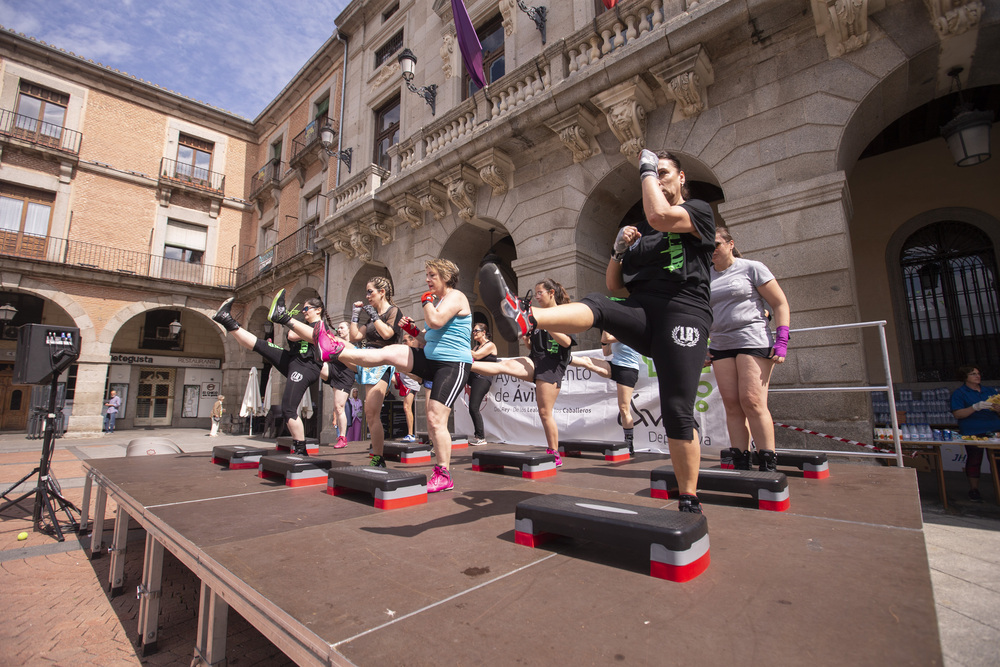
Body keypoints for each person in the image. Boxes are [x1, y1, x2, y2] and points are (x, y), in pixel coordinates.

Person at [479, 150, 715, 513]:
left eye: (664, 174)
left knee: (677, 409)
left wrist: (646, 169)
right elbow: (616, 286)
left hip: (684, 313)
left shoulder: (697, 211)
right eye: (656, 174)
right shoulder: (645, 236)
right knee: (599, 302)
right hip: (643, 311)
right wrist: (619, 251)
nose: (658, 180)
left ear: (681, 178)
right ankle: (527, 318)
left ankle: (688, 497)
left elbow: (660, 214)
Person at [321, 259, 472, 493]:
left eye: (432, 275)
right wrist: (414, 332)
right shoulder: (439, 301)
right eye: (427, 275)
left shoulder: (456, 296)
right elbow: (426, 338)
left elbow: (436, 320)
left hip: (453, 364)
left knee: (434, 418)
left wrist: (425, 300)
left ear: (445, 276)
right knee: (390, 352)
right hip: (431, 359)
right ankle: (337, 349)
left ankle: (443, 474)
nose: (427, 280)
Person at [708, 226, 790, 472]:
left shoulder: (751, 267)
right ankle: (742, 460)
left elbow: (779, 303)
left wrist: (782, 340)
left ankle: (767, 461)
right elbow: (701, 314)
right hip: (721, 344)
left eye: (716, 245)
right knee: (732, 404)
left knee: (752, 401)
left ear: (730, 244)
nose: (711, 251)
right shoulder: (704, 277)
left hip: (752, 339)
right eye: (706, 247)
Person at [470, 278, 576, 465]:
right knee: (504, 366)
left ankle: (554, 452)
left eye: (539, 293)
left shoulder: (564, 313)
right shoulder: (537, 315)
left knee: (545, 412)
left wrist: (542, 322)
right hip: (535, 359)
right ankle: (462, 363)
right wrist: (527, 336)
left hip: (552, 365)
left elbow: (567, 342)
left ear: (551, 293)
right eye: (535, 293)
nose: (536, 297)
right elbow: (529, 343)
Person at [212, 293, 327, 455]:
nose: (303, 312)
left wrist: (289, 322)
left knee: (288, 408)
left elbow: (295, 335)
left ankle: (301, 449)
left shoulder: (322, 327)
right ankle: (226, 320)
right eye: (302, 309)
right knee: (261, 345)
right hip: (292, 360)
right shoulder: (302, 324)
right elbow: (291, 335)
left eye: (306, 308)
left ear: (318, 310)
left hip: (307, 367)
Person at [570, 331, 642, 455]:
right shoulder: (613, 335)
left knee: (624, 408)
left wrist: (606, 323)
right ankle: (562, 358)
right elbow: (606, 352)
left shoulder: (626, 332)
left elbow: (607, 337)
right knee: (587, 361)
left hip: (628, 370)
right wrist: (604, 340)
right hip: (615, 365)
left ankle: (629, 442)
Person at [950, 366, 1000, 502]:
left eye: (978, 373)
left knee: (997, 461)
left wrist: (997, 409)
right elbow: (958, 413)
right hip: (973, 431)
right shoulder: (960, 393)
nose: (977, 376)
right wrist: (974, 408)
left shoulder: (989, 391)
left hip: (994, 429)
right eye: (973, 374)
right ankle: (974, 489)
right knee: (974, 459)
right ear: (965, 377)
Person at [320, 322, 354, 449]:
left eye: (342, 328)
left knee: (339, 407)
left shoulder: (353, 344)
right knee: (315, 364)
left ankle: (342, 437)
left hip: (345, 375)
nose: (339, 330)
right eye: (338, 328)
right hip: (332, 368)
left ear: (349, 330)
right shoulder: (334, 340)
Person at [468, 322, 498, 446]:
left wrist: (459, 346)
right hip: (474, 377)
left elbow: (476, 356)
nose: (474, 333)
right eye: (473, 331)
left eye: (476, 331)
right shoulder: (475, 347)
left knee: (473, 407)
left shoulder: (490, 345)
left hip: (483, 379)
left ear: (483, 332)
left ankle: (480, 437)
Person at [397, 332, 424, 442]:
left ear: (413, 340)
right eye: (403, 341)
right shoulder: (405, 351)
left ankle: (410, 434)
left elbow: (417, 374)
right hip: (401, 378)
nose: (403, 343)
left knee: (407, 407)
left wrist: (403, 370)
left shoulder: (416, 353)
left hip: (411, 383)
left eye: (405, 341)